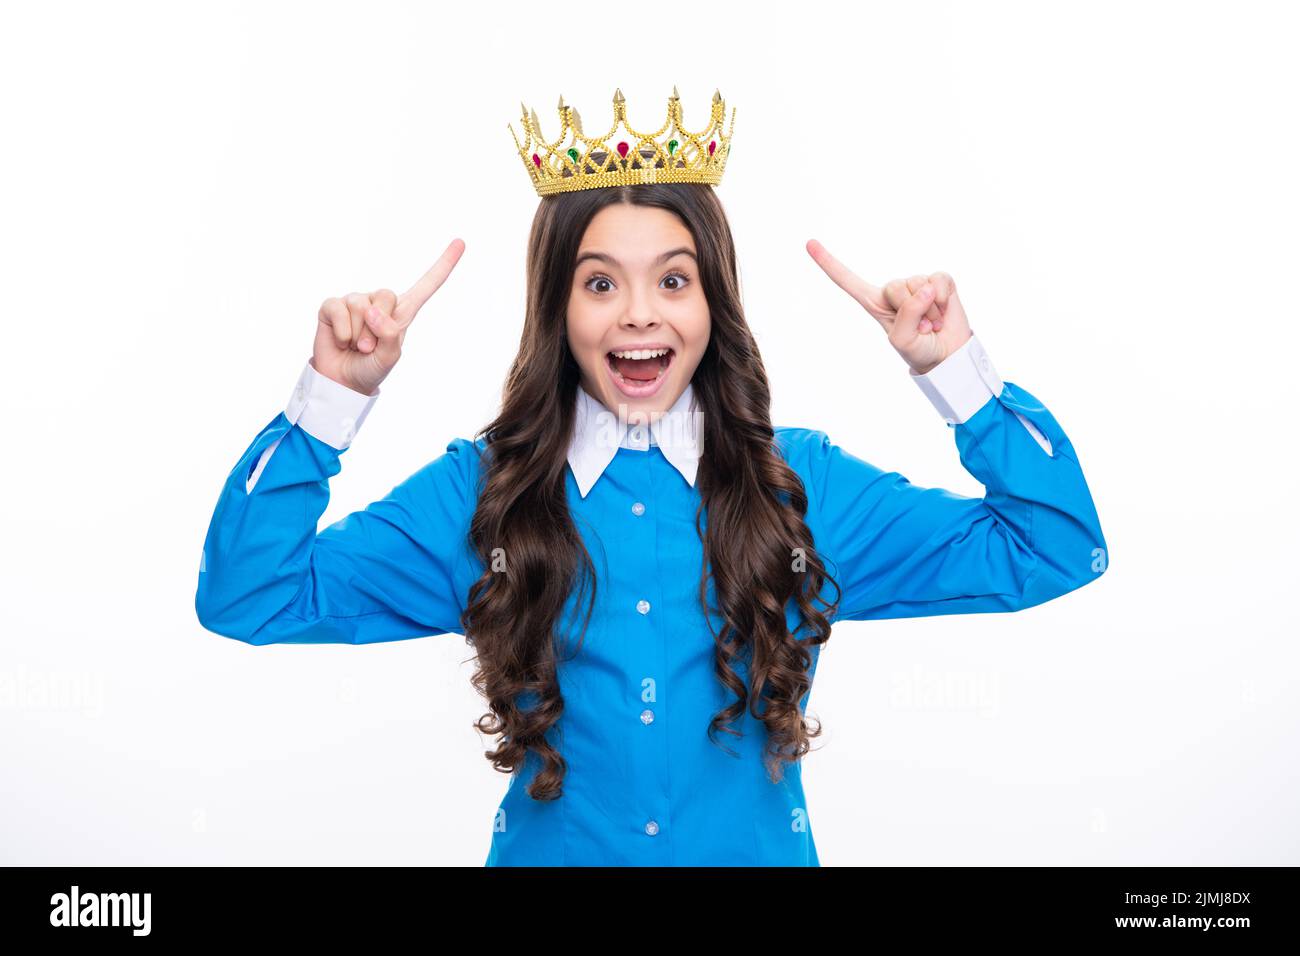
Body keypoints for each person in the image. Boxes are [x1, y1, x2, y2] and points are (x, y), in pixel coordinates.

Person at [194, 87, 1109, 866]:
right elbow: (250, 594)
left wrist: (954, 373)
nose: (639, 315)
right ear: (558, 306)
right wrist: (329, 402)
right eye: (600, 284)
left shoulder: (805, 490)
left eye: (673, 281)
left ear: (714, 300)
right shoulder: (481, 496)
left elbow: (1056, 547)